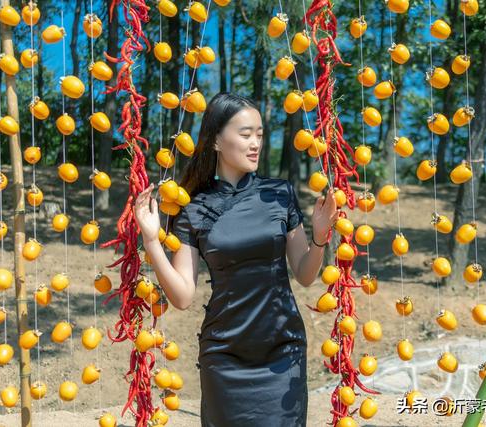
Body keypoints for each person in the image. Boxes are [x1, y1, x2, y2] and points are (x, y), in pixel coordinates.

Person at [134, 92, 339, 426]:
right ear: (216, 140)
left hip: (282, 351)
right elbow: (183, 296)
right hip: (224, 356)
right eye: (245, 134)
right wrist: (151, 239)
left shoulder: (279, 194)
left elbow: (303, 273)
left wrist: (319, 234)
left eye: (259, 134)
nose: (255, 143)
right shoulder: (193, 207)